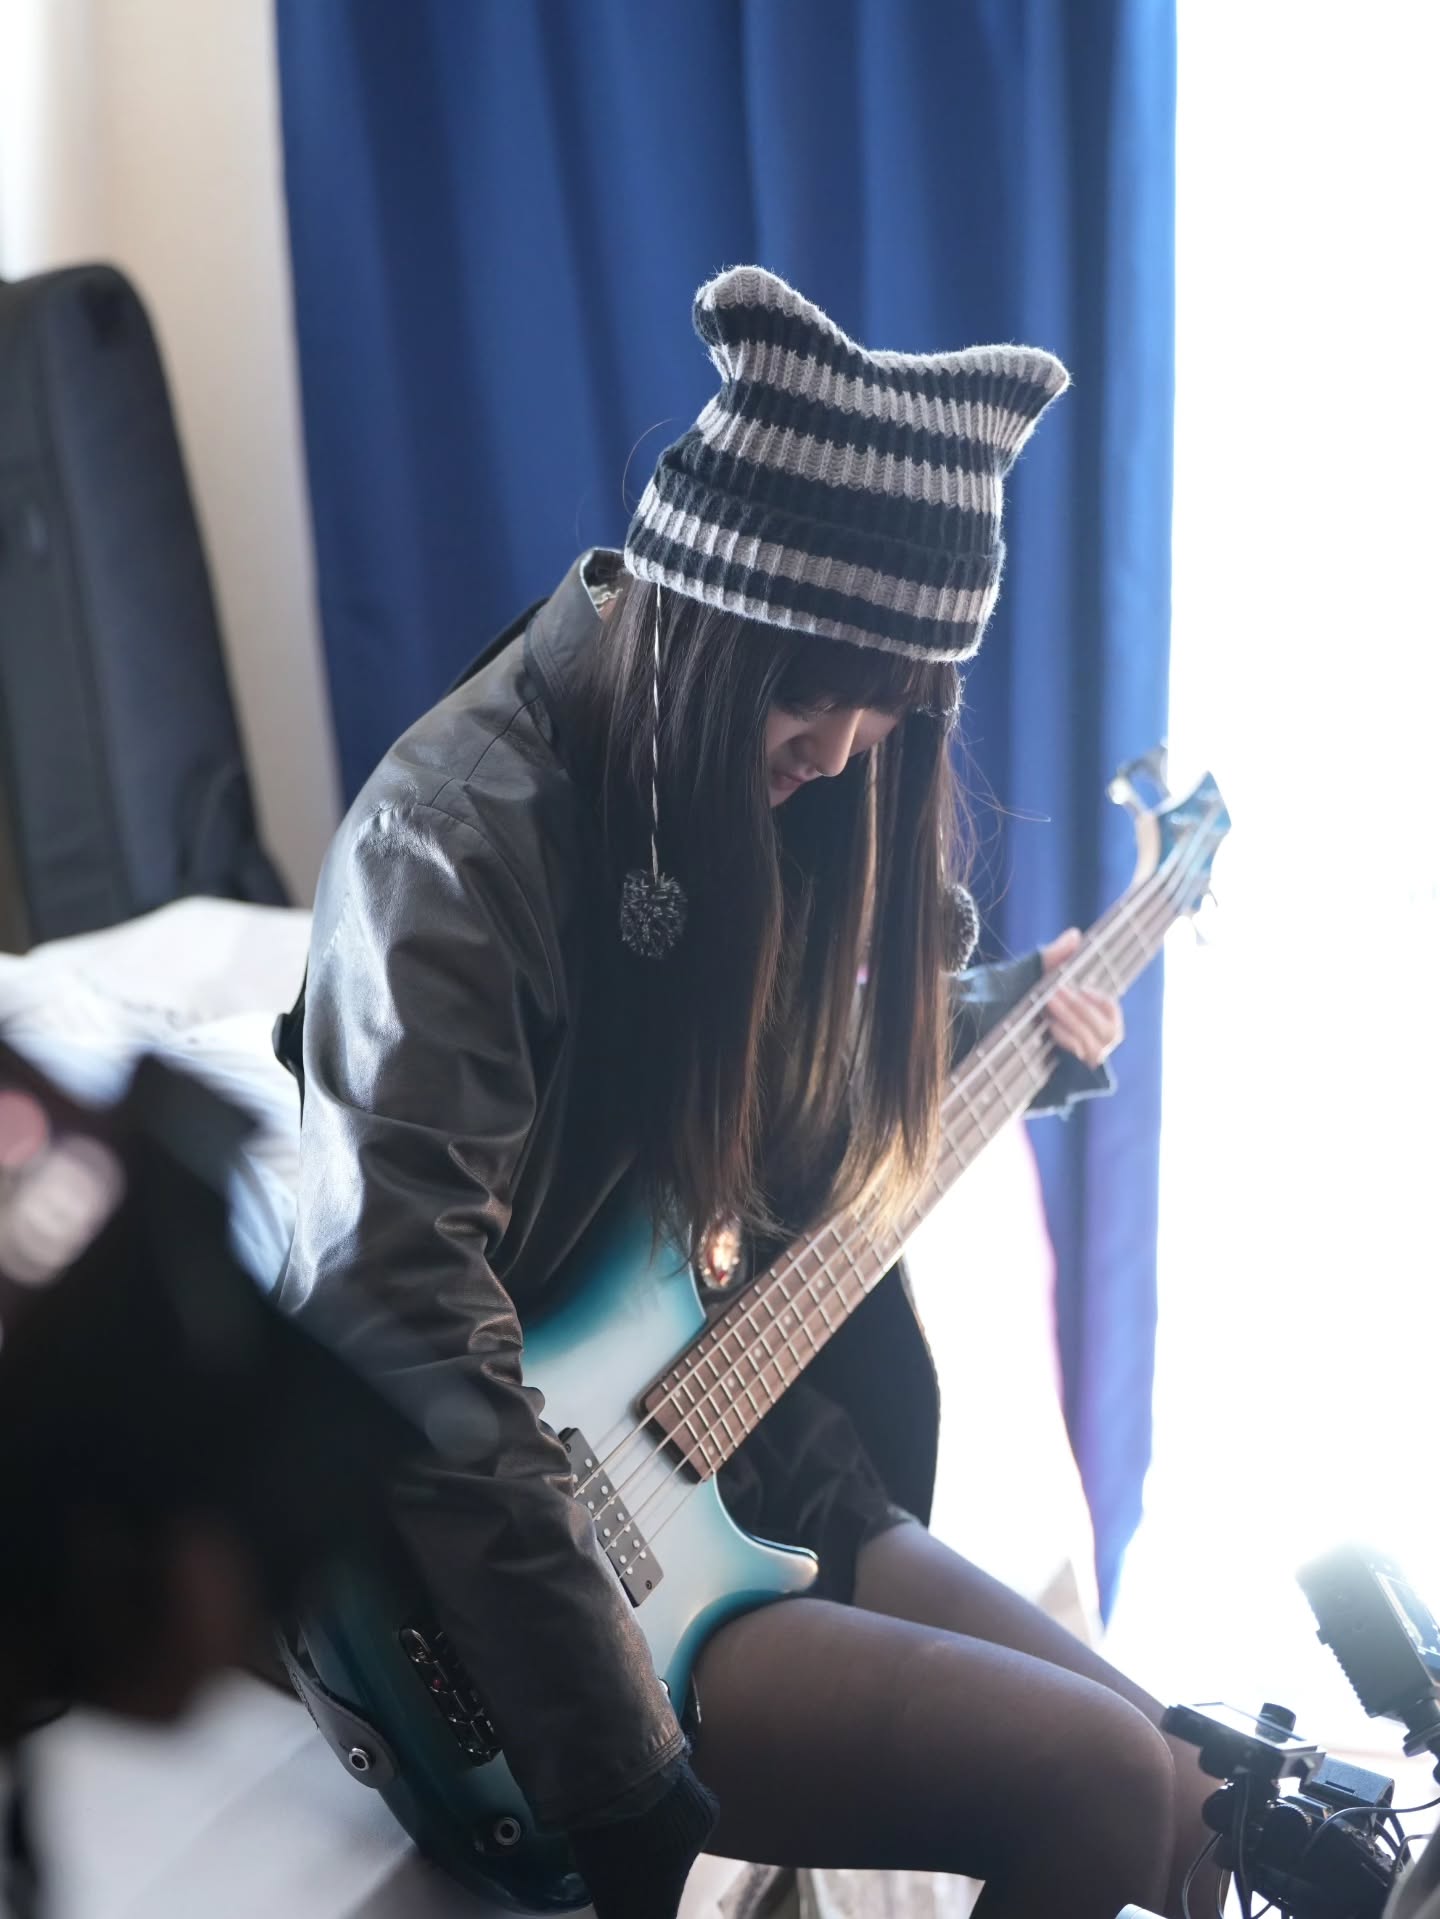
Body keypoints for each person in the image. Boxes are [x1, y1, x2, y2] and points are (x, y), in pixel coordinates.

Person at [277, 267, 1213, 1919]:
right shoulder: (457, 840)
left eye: (894, 706)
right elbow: (398, 1304)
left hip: (729, 1443)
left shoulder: (764, 791)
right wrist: (613, 1759)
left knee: (1195, 1806)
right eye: (814, 688)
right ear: (707, 619)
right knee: (1100, 1782)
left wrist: (997, 1033)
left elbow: (783, 1118)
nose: (845, 748)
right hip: (493, 1590)